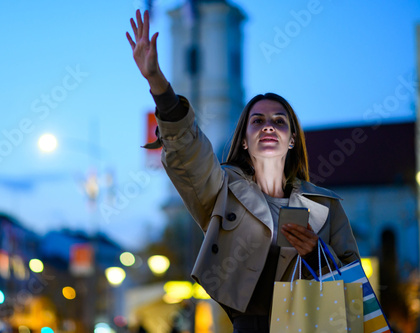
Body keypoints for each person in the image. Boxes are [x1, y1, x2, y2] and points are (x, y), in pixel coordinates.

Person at [126, 9, 360, 333]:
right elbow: (187, 151)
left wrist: (318, 253)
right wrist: (159, 84)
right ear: (245, 141)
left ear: (292, 140)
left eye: (279, 121)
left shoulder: (326, 207)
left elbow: (355, 294)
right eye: (257, 120)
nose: (268, 126)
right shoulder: (223, 193)